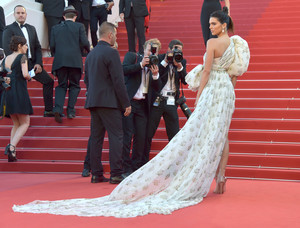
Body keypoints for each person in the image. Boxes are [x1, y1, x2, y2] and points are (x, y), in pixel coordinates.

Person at [13, 7, 250, 217]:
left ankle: (109, 172)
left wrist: (199, 94)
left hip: (207, 90)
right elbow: (235, 71)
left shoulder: (212, 43)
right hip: (225, 90)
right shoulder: (237, 44)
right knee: (221, 134)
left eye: (213, 24)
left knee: (105, 137)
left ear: (223, 24)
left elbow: (206, 71)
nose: (209, 28)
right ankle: (219, 177)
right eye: (209, 24)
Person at [84, 22, 131, 184]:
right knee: (116, 136)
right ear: (110, 35)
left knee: (96, 138)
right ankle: (116, 173)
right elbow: (118, 81)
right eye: (116, 35)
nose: (116, 37)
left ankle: (96, 174)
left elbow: (86, 80)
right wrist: (126, 103)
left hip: (93, 101)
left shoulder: (90, 55)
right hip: (109, 102)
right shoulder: (111, 53)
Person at [2, 5, 54, 117]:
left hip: (31, 64)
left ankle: (48, 110)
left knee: (49, 81)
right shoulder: (9, 29)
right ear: (14, 15)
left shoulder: (31, 28)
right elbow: (7, 49)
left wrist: (39, 63)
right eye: (18, 13)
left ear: (26, 15)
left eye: (23, 13)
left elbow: (37, 47)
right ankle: (20, 114)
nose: (21, 15)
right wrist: (16, 64)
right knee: (20, 89)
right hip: (17, 64)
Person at [121, 38, 160, 177]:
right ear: (144, 49)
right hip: (130, 103)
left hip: (143, 105)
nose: (152, 52)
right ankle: (125, 169)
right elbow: (123, 70)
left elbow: (157, 89)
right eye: (150, 49)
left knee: (141, 137)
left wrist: (155, 76)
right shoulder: (133, 56)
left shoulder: (155, 64)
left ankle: (136, 167)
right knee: (127, 135)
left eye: (155, 50)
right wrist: (140, 65)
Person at [144, 39, 187, 163]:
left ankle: (173, 164)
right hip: (158, 100)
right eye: (176, 50)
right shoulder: (160, 58)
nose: (178, 53)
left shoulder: (181, 60)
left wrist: (179, 67)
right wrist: (165, 61)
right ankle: (143, 162)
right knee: (149, 133)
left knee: (174, 135)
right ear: (169, 49)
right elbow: (155, 79)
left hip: (172, 102)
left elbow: (185, 80)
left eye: (180, 51)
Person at [50, 5, 90, 123]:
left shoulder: (55, 28)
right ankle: (71, 111)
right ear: (75, 16)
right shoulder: (79, 26)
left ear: (63, 16)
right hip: (75, 61)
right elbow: (84, 42)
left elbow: (52, 46)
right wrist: (89, 52)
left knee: (61, 85)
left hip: (60, 60)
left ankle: (58, 108)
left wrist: (58, 55)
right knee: (74, 85)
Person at [2, 36, 32, 162]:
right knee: (25, 122)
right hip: (19, 90)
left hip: (7, 91)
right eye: (25, 45)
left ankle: (12, 153)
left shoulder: (6, 58)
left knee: (16, 123)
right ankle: (12, 147)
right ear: (20, 46)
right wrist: (31, 77)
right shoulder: (22, 57)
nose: (26, 47)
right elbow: (25, 74)